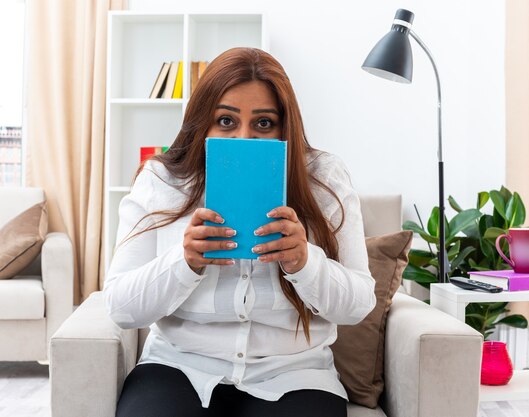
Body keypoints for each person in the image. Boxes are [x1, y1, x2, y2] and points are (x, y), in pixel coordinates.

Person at [104, 47, 376, 417]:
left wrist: (305, 262)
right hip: (180, 366)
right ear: (202, 123)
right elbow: (121, 307)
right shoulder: (163, 180)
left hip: (294, 374)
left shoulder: (324, 178)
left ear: (285, 126)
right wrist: (184, 261)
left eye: (264, 123)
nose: (244, 138)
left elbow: (358, 305)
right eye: (226, 121)